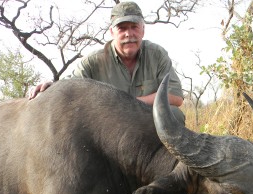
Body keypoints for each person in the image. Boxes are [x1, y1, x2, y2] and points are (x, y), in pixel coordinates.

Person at [29, 2, 185, 124]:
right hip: (110, 129)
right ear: (112, 32)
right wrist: (52, 86)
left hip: (145, 123)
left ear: (143, 30)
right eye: (122, 28)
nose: (128, 34)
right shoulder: (93, 61)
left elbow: (176, 97)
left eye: (134, 27)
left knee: (174, 115)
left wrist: (129, 104)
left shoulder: (157, 55)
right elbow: (71, 86)